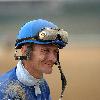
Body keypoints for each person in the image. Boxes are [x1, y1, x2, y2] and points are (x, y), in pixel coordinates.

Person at [0, 19, 68, 100]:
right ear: (25, 51)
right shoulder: (5, 91)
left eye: (55, 52)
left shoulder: (42, 84)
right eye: (45, 50)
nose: (53, 59)